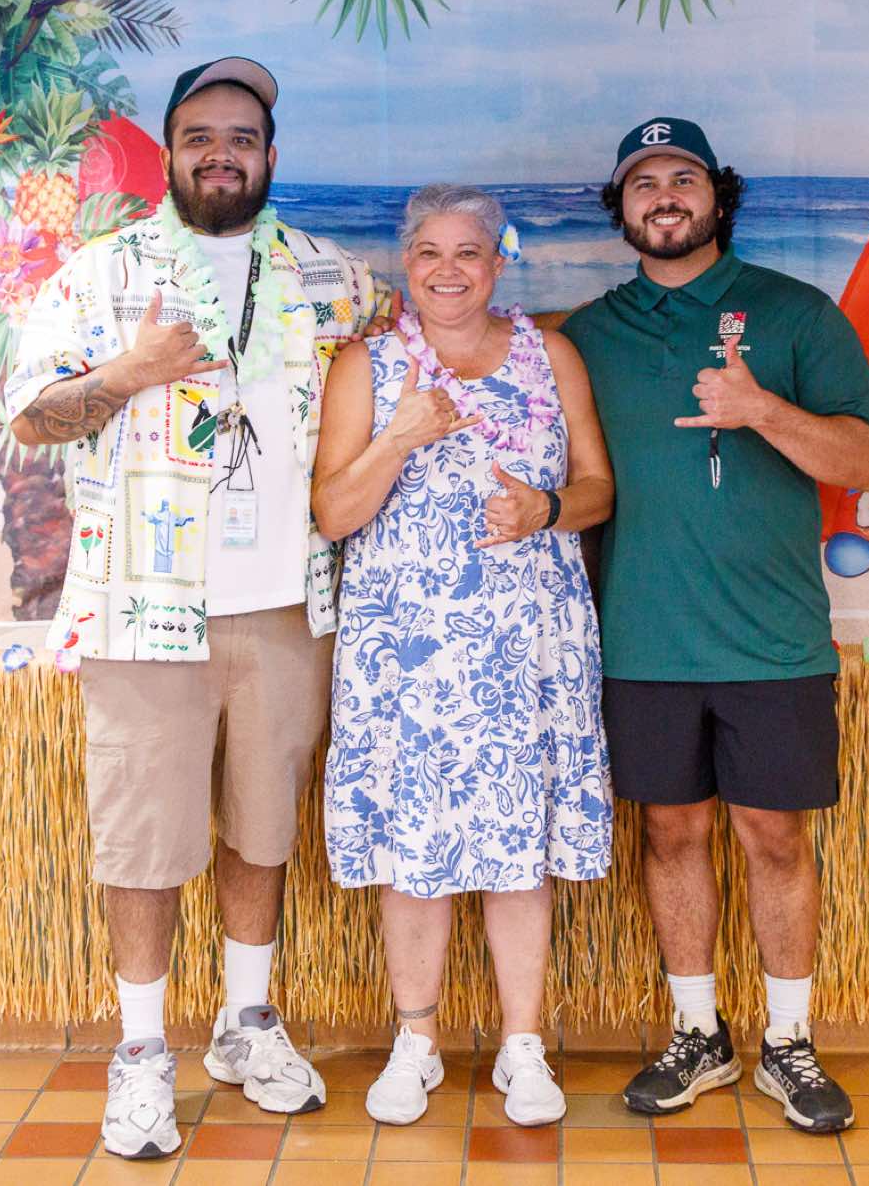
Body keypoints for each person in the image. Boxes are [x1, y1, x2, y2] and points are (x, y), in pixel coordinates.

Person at [3, 57, 388, 1160]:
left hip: (288, 605)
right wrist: (128, 372)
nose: (222, 153)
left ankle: (246, 1023)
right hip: (142, 604)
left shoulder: (330, 276)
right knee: (143, 836)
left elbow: (428, 339)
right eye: (200, 136)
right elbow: (29, 416)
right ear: (171, 152)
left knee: (263, 825)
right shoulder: (95, 275)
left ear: (270, 154)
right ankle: (139, 1053)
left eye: (242, 137)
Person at [559, 118, 869, 1135]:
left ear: (717, 196)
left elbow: (863, 463)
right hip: (640, 636)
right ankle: (697, 1032)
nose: (663, 195)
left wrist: (762, 410)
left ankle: (788, 1042)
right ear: (620, 208)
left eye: (682, 177)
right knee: (670, 831)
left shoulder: (795, 314)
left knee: (773, 835)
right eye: (642, 182)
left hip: (771, 639)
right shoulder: (585, 336)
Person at [311, 185, 616, 1128]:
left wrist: (545, 508)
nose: (449, 270)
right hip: (409, 649)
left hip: (525, 642)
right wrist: (398, 437)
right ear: (407, 263)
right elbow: (334, 514)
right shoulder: (367, 365)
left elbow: (599, 488)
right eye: (430, 252)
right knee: (415, 843)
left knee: (519, 843)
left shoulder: (549, 354)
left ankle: (523, 1045)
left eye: (469, 251)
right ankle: (416, 1041)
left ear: (498, 261)